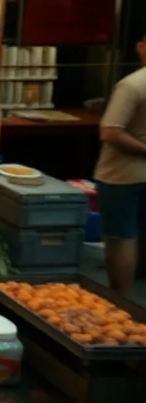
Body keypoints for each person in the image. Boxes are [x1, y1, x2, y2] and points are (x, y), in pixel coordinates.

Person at [95, 30, 146, 297]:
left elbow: (111, 131)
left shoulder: (134, 84)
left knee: (120, 239)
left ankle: (120, 299)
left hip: (123, 175)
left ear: (141, 47)